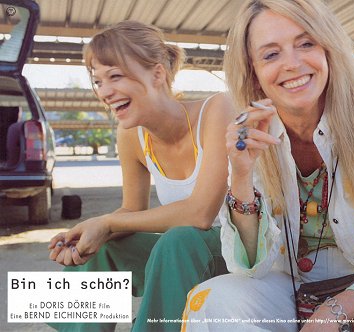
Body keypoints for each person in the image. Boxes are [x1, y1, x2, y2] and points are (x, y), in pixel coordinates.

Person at [181, 1, 354, 331]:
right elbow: (250, 268)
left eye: (306, 43)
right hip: (291, 291)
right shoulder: (253, 132)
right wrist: (242, 175)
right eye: (271, 54)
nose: (292, 63)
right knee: (211, 300)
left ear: (328, 50)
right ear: (254, 72)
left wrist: (337, 310)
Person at [48, 21, 234, 332]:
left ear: (158, 74)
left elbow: (201, 214)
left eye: (115, 76)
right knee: (101, 247)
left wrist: (108, 223)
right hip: (183, 260)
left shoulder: (218, 108)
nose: (104, 92)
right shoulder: (130, 135)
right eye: (98, 81)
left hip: (244, 256)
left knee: (178, 240)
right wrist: (89, 232)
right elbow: (131, 211)